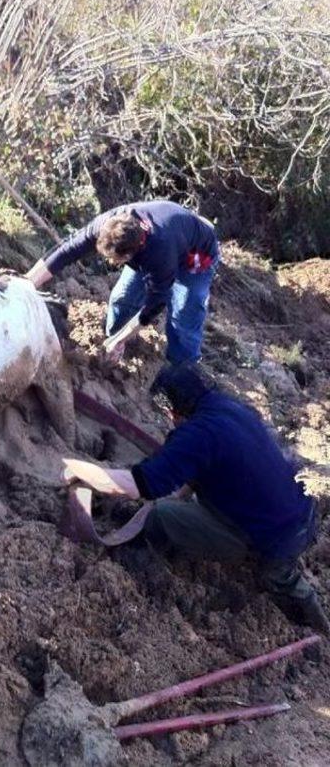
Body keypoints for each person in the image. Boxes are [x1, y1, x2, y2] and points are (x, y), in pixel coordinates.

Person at [63, 364, 330, 634]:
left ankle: (139, 561)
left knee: (162, 515)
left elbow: (139, 485)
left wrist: (82, 471)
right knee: (191, 506)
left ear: (171, 410)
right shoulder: (231, 407)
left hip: (275, 540)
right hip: (304, 514)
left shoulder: (197, 435)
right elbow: (204, 469)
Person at [25, 201, 219, 365]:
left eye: (114, 259)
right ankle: (116, 348)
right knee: (122, 298)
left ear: (129, 254)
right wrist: (26, 282)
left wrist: (119, 339)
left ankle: (182, 372)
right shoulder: (108, 224)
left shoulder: (159, 255)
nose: (110, 262)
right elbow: (67, 250)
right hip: (169, 235)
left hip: (197, 255)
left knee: (183, 318)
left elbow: (153, 307)